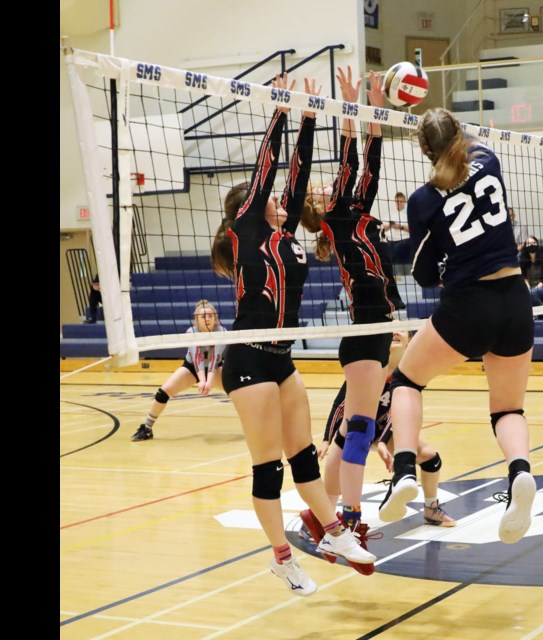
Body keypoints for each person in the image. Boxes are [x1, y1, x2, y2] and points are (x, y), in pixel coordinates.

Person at [210, 73, 374, 594]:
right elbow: (270, 167)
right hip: (247, 359)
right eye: (271, 197)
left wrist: (309, 116)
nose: (283, 200)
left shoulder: (284, 235)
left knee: (303, 456)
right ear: (248, 206)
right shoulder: (247, 230)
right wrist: (281, 110)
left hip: (280, 358)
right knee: (268, 470)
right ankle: (282, 556)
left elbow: (297, 174)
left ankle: (334, 533)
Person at [377, 107, 537, 545]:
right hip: (515, 299)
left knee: (407, 379)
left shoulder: (423, 200)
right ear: (461, 134)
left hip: (468, 303)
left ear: (423, 149)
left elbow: (425, 274)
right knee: (508, 408)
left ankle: (405, 470)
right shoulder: (489, 158)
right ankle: (520, 471)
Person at [300, 67, 405, 548]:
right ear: (320, 209)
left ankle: (316, 515)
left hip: (379, 329)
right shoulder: (338, 221)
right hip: (365, 332)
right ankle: (349, 515)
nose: (327, 187)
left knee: (349, 433)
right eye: (321, 191)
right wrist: (348, 105)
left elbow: (372, 161)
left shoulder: (357, 213)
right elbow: (349, 158)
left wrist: (374, 106)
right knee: (360, 428)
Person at [298, 331, 457, 558]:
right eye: (390, 329)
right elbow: (340, 406)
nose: (395, 333)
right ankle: (318, 519)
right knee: (340, 458)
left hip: (386, 432)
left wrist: (383, 443)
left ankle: (431, 509)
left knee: (431, 457)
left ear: (410, 340)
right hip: (357, 428)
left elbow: (398, 416)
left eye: (401, 329)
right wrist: (326, 438)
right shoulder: (369, 365)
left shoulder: (408, 372)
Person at [130, 300, 227, 442]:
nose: (207, 319)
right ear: (197, 320)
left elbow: (215, 359)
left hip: (215, 368)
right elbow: (197, 359)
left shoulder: (222, 332)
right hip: (192, 367)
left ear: (215, 318)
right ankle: (147, 428)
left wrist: (208, 381)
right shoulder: (192, 332)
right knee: (163, 392)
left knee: (240, 392)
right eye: (203, 316)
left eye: (210, 316)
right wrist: (202, 380)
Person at [519, 236, 543, 308]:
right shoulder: (523, 261)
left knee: (532, 293)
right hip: (530, 289)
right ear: (525, 246)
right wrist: (528, 289)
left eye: (533, 243)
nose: (531, 245)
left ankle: (539, 311)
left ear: (537, 244)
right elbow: (524, 277)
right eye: (529, 244)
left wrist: (534, 290)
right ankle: (542, 311)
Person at [381, 191, 411, 265]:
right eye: (397, 201)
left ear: (404, 202)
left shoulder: (408, 214)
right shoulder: (390, 215)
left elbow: (413, 229)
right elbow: (382, 228)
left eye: (401, 201)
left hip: (405, 242)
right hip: (390, 243)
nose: (399, 203)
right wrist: (391, 225)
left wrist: (399, 227)